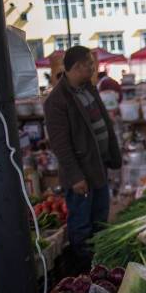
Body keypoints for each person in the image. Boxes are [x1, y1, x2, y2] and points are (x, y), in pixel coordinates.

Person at [44, 46, 122, 271]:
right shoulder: (57, 101)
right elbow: (60, 145)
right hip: (80, 173)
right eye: (89, 63)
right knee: (81, 223)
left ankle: (100, 264)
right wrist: (76, 176)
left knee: (99, 217)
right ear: (77, 67)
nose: (93, 67)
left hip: (97, 167)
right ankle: (83, 268)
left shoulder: (88, 88)